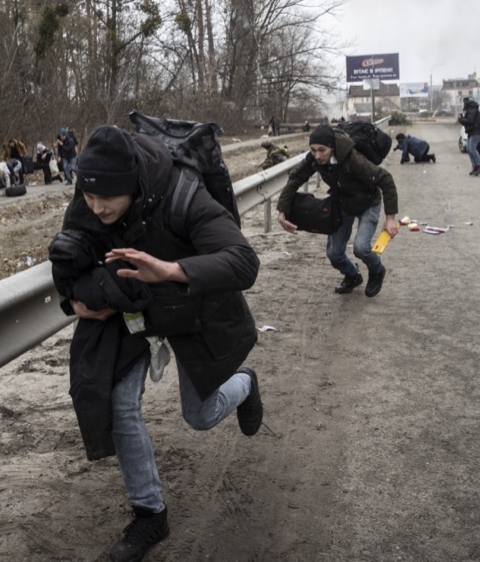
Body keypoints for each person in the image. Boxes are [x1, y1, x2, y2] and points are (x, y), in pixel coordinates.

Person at [49, 125, 263, 561]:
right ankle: (150, 513)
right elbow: (74, 260)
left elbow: (243, 261)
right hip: (131, 303)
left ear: (132, 184)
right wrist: (73, 302)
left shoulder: (183, 193)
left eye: (105, 198)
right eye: (88, 197)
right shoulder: (90, 197)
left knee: (200, 415)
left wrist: (171, 271)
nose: (95, 207)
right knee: (117, 401)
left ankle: (244, 385)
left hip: (189, 302)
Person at [276, 123, 401, 297]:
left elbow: (385, 179)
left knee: (361, 247)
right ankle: (352, 275)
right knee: (334, 254)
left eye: (322, 150)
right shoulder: (314, 159)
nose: (317, 155)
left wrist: (390, 218)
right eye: (313, 150)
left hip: (368, 202)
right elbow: (295, 178)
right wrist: (282, 211)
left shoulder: (352, 159)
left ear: (332, 148)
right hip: (343, 204)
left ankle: (377, 270)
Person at [458, 98, 480, 175]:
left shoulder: (472, 110)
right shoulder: (470, 110)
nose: (462, 105)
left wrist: (461, 119)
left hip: (476, 132)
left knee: (472, 149)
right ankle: (475, 166)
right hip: (471, 132)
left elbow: (470, 121)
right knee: (469, 149)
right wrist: (462, 118)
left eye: (463, 104)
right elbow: (468, 120)